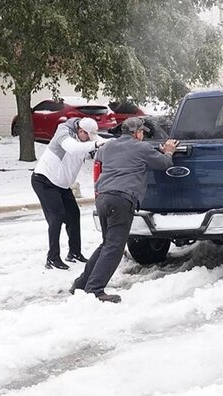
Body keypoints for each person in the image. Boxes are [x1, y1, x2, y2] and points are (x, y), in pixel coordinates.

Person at [70, 117, 179, 302]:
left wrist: (154, 151)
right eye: (142, 132)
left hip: (103, 198)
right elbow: (164, 164)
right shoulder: (142, 148)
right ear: (137, 133)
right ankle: (95, 290)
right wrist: (168, 152)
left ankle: (81, 284)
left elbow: (120, 156)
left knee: (107, 244)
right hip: (122, 200)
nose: (143, 135)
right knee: (114, 248)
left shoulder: (107, 147)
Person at [32, 117, 107, 270]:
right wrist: (94, 144)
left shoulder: (85, 136)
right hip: (44, 180)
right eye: (87, 136)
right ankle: (52, 258)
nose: (89, 140)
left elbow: (99, 141)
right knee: (56, 218)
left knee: (74, 215)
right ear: (80, 131)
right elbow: (72, 148)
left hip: (62, 185)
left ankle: (74, 253)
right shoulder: (63, 132)